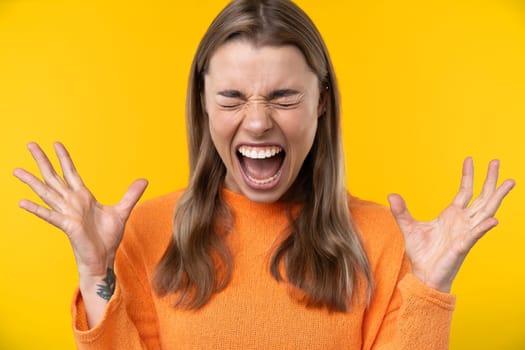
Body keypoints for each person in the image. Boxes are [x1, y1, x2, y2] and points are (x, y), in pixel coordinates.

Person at [13, 0, 515, 349]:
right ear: (203, 106)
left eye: (283, 97)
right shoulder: (144, 232)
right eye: (231, 98)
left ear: (321, 103)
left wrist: (429, 286)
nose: (256, 120)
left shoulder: (381, 237)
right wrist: (95, 272)